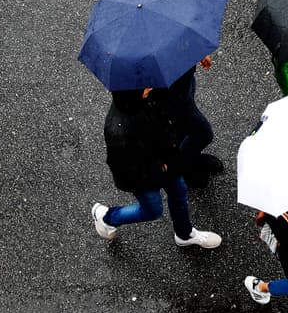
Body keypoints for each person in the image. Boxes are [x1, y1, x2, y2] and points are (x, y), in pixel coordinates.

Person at [91, 86, 221, 249]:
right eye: (144, 87)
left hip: (166, 162)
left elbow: (164, 125)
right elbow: (125, 167)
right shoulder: (119, 130)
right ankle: (108, 218)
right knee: (152, 211)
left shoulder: (146, 99)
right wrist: (161, 168)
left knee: (179, 192)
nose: (150, 87)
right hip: (143, 178)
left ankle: (184, 234)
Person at [151, 56, 224, 188]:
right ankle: (188, 169)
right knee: (203, 133)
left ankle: (190, 159)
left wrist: (196, 53)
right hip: (169, 89)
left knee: (182, 125)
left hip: (182, 75)